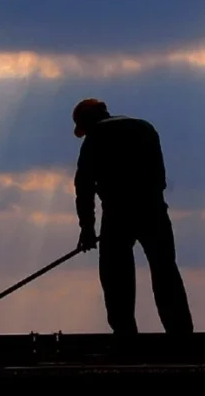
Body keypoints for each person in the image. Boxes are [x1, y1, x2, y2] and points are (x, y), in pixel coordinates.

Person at [71, 98, 194, 338]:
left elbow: (84, 187)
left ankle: (125, 335)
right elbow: (160, 176)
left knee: (115, 274)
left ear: (87, 122)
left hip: (118, 213)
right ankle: (181, 335)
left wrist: (87, 228)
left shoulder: (96, 136)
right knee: (165, 271)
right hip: (154, 210)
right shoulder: (145, 127)